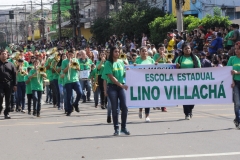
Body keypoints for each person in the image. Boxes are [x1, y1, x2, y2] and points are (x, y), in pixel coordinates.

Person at [103, 46, 130, 135]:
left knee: (125, 108)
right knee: (115, 109)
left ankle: (123, 127)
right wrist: (121, 85)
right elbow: (111, 77)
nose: (117, 53)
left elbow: (124, 74)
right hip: (112, 87)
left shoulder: (121, 62)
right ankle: (116, 129)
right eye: (115, 51)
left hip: (120, 87)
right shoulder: (108, 63)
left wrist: (129, 70)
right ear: (111, 53)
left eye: (118, 51)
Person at [175, 43, 201, 120]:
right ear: (183, 50)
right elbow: (174, 68)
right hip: (182, 81)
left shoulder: (195, 58)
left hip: (193, 80)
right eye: (185, 49)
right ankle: (187, 113)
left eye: (189, 48)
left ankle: (190, 109)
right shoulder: (179, 58)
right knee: (185, 97)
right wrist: (177, 66)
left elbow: (199, 68)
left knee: (192, 97)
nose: (187, 50)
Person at [135, 46, 156, 122]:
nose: (144, 52)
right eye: (143, 51)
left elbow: (155, 69)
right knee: (141, 98)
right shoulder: (137, 60)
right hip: (140, 82)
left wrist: (156, 64)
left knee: (147, 98)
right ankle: (140, 109)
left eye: (145, 51)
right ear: (140, 52)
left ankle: (147, 116)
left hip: (149, 82)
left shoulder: (151, 60)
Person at [61, 49, 82, 116]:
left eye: (71, 54)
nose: (70, 55)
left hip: (75, 79)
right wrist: (68, 65)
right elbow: (63, 71)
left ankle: (75, 104)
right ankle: (69, 110)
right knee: (69, 96)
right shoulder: (64, 61)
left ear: (73, 55)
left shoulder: (75, 60)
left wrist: (73, 64)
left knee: (80, 93)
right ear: (67, 54)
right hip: (68, 80)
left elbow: (79, 69)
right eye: (69, 54)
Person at [0, 50, 17, 119]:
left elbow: (14, 75)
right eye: (2, 54)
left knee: (8, 99)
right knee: (0, 96)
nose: (4, 55)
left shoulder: (11, 64)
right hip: (0, 84)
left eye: (5, 54)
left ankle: (6, 113)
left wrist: (15, 85)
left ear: (7, 55)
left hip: (8, 84)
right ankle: (0, 107)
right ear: (0, 55)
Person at [227, 41, 240, 129]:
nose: (236, 50)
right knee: (237, 103)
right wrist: (232, 81)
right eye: (235, 49)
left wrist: (237, 72)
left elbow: (235, 72)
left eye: (238, 49)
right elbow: (228, 71)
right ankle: (238, 120)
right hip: (236, 82)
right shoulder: (232, 58)